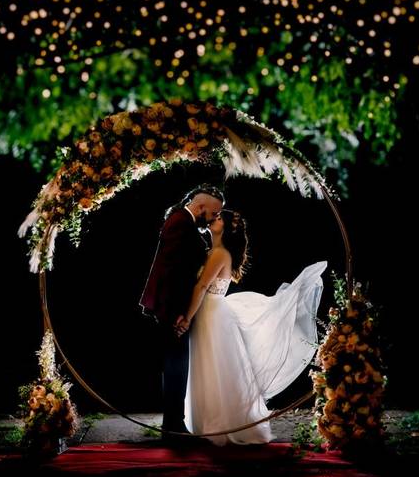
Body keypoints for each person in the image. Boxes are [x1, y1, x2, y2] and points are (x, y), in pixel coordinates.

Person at [181, 209, 326, 445]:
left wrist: (186, 317)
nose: (212, 219)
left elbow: (200, 288)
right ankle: (209, 420)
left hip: (211, 315)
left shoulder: (219, 254)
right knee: (213, 367)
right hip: (212, 313)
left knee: (213, 366)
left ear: (225, 228)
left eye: (218, 218)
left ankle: (217, 422)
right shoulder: (214, 252)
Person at [139, 184, 225, 439]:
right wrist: (179, 313)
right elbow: (172, 273)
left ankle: (173, 423)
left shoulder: (180, 221)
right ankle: (173, 425)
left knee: (176, 364)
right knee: (176, 365)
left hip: (170, 304)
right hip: (171, 306)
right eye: (213, 212)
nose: (214, 218)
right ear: (201, 207)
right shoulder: (180, 223)